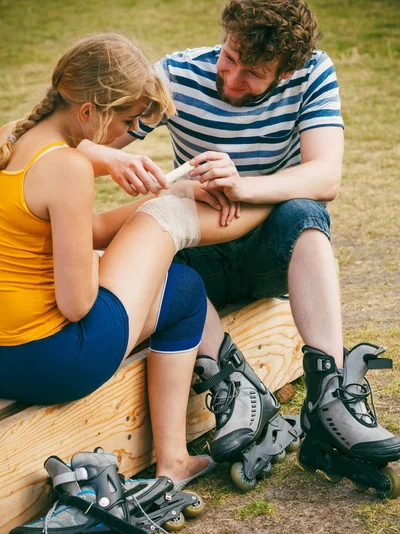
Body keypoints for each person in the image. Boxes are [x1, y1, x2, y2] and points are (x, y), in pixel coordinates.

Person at [78, 3, 400, 496]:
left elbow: (325, 175)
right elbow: (73, 140)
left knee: (304, 213)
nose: (231, 80)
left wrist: (242, 184)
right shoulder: (178, 75)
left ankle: (330, 398)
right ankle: (234, 385)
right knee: (157, 240)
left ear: (287, 69)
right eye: (229, 58)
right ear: (224, 37)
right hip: (200, 252)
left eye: (254, 73)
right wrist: (112, 160)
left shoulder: (314, 73)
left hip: (272, 251)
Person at [0, 32, 278, 489]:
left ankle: (176, 462)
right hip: (54, 360)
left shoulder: (13, 136)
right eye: (126, 122)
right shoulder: (67, 170)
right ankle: (172, 460)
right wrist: (96, 260)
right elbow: (76, 306)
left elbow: (65, 230)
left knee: (171, 271)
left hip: (5, 357)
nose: (124, 137)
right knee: (176, 264)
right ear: (90, 112)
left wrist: (125, 181)